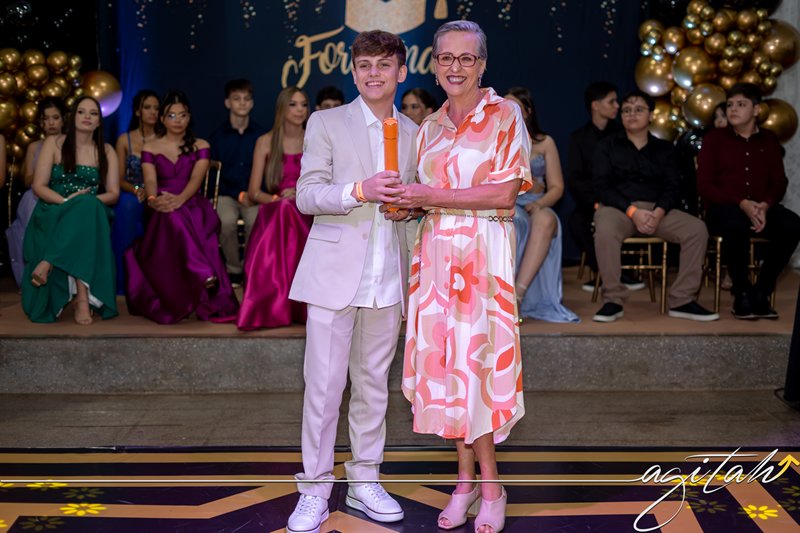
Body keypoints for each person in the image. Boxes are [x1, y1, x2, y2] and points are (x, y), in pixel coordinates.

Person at [396, 21, 531, 533]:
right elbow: (425, 196)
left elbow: (504, 193)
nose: (456, 67)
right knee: (447, 371)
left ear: (482, 64)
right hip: (435, 258)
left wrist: (429, 196)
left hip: (482, 258)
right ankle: (464, 482)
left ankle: (491, 487)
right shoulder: (428, 127)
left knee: (478, 371)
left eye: (466, 58)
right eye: (446, 57)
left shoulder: (505, 114)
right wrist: (405, 206)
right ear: (434, 65)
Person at [285, 30, 417, 533]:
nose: (373, 74)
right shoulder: (326, 122)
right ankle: (314, 490)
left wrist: (412, 209)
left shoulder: (417, 132)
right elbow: (306, 195)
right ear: (354, 71)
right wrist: (359, 190)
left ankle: (365, 479)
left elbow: (420, 204)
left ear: (401, 71)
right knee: (323, 389)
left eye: (383, 65)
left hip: (389, 277)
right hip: (333, 275)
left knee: (373, 387)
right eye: (364, 65)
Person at [592, 90, 719, 323]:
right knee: (605, 230)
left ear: (651, 115)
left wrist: (658, 213)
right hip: (619, 209)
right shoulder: (606, 146)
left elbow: (673, 187)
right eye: (626, 110)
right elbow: (602, 187)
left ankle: (682, 299)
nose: (632, 114)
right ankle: (613, 299)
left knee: (696, 229)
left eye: (638, 109)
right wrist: (633, 212)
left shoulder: (665, 149)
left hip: (657, 210)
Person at [124, 91, 239, 324]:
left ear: (189, 117)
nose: (178, 120)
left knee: (176, 214)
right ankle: (201, 271)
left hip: (193, 203)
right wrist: (153, 199)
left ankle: (199, 272)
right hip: (160, 204)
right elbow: (150, 180)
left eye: (183, 115)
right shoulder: (150, 147)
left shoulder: (201, 145)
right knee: (170, 215)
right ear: (162, 119)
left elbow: (196, 179)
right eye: (171, 115)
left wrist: (180, 199)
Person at [697, 83, 800, 320]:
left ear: (756, 110)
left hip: (761, 207)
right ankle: (741, 292)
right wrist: (741, 202)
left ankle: (762, 291)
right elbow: (704, 185)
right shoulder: (715, 138)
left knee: (793, 225)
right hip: (724, 208)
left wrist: (765, 204)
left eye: (741, 104)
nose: (733, 109)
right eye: (730, 105)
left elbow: (779, 182)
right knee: (736, 224)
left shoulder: (769, 139)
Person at [22, 96, 119, 324]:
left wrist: (83, 202)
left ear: (99, 121)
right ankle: (81, 299)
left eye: (93, 114)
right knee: (82, 209)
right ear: (73, 116)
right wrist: (68, 202)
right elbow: (38, 186)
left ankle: (49, 263)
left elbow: (114, 194)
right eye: (81, 112)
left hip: (91, 211)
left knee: (86, 207)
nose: (87, 117)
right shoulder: (54, 143)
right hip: (54, 207)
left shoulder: (106, 150)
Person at [234, 86, 312, 330]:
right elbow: (254, 191)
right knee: (283, 210)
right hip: (275, 207)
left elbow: (326, 183)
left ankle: (290, 304)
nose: (300, 110)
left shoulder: (314, 138)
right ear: (282, 108)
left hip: (308, 207)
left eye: (303, 104)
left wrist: (299, 194)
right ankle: (276, 304)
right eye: (293, 104)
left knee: (288, 209)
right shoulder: (265, 141)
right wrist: (278, 199)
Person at [506, 86, 578, 323]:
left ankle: (518, 295)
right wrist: (522, 185)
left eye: (515, 107)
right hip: (509, 202)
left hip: (537, 203)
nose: (508, 111)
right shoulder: (495, 141)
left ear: (527, 111)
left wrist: (540, 202)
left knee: (546, 219)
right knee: (513, 220)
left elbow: (557, 187)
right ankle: (503, 294)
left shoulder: (545, 142)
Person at [566, 82, 645, 293]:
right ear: (595, 105)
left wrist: (614, 200)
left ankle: (617, 273)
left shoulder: (623, 135)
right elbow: (575, 179)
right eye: (612, 101)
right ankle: (606, 272)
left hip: (621, 200)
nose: (617, 106)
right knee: (577, 222)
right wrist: (596, 202)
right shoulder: (579, 138)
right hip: (592, 201)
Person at [208, 79, 267, 285]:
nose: (242, 103)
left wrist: (253, 193)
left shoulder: (261, 135)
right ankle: (234, 269)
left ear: (252, 103)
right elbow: (215, 176)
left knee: (255, 221)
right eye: (236, 98)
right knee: (226, 222)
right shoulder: (217, 137)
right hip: (226, 193)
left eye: (247, 99)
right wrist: (238, 194)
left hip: (254, 193)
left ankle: (250, 267)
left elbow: (267, 171)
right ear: (227, 103)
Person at [6, 98, 67, 286]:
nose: (51, 123)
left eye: (55, 117)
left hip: (62, 196)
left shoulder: (70, 145)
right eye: (46, 119)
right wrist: (45, 170)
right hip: (35, 198)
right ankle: (32, 280)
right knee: (31, 239)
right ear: (41, 122)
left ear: (63, 120)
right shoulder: (34, 146)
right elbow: (27, 180)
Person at [112, 89, 159, 294]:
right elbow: (118, 178)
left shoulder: (164, 138)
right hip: (132, 191)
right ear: (138, 111)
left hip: (158, 191)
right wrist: (137, 189)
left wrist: (152, 192)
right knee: (128, 206)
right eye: (147, 107)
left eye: (156, 108)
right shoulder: (125, 140)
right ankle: (126, 280)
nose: (153, 112)